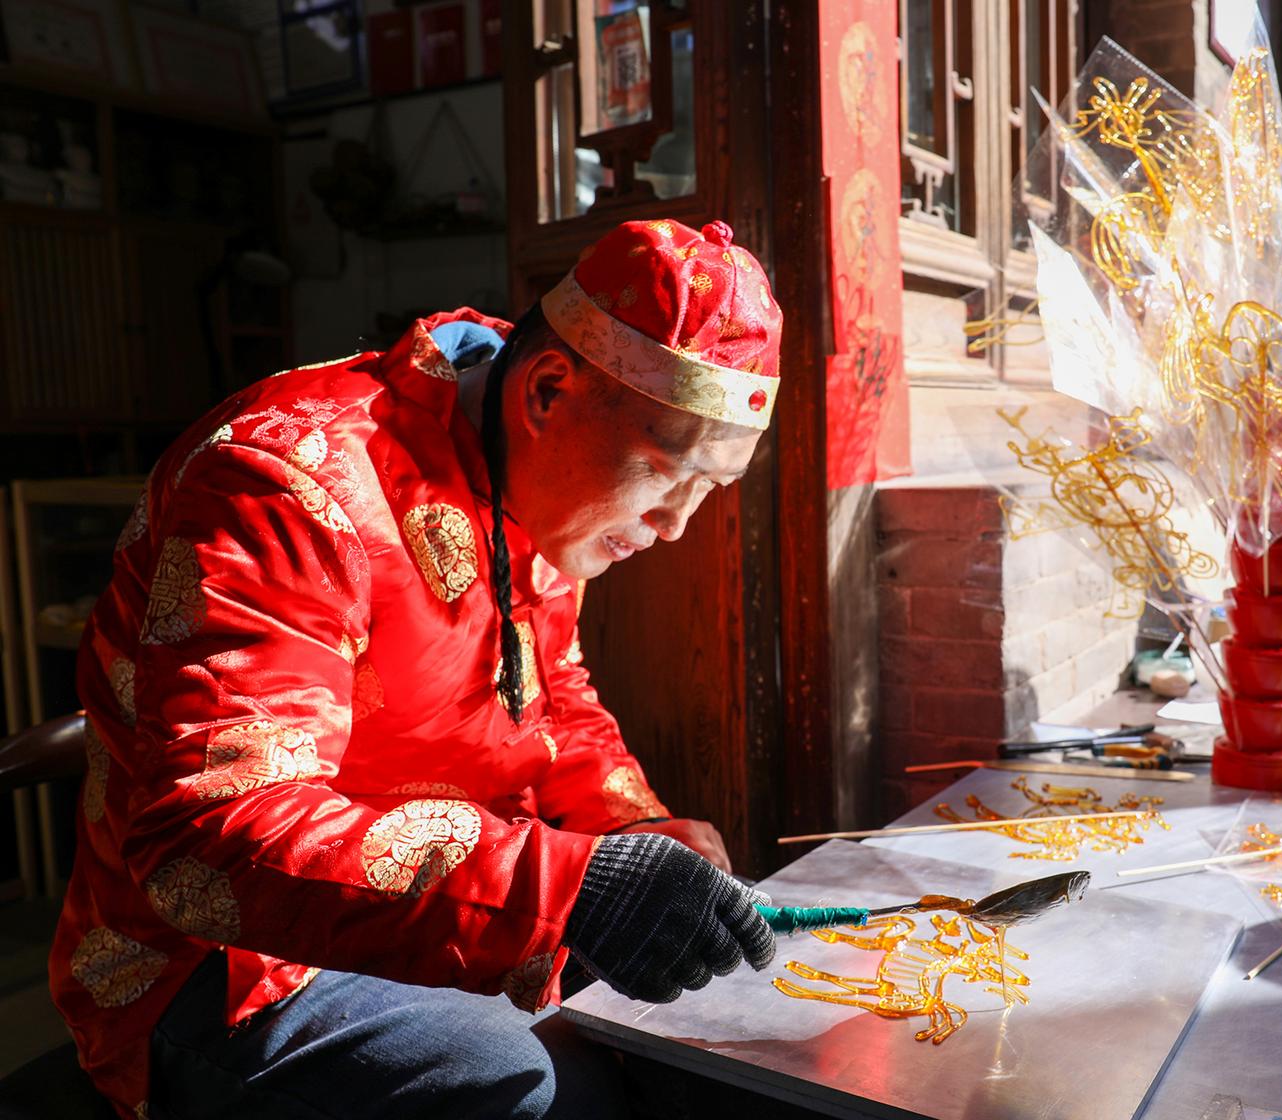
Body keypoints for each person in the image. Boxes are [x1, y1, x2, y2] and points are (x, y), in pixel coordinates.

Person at [48, 218, 784, 1119]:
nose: (676, 525)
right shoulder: (284, 481)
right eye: (671, 474)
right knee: (553, 1098)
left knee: (707, 1054)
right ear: (548, 389)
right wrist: (567, 889)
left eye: (710, 491)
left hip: (452, 913)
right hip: (230, 969)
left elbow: (553, 706)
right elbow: (213, 839)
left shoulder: (531, 476)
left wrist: (639, 833)